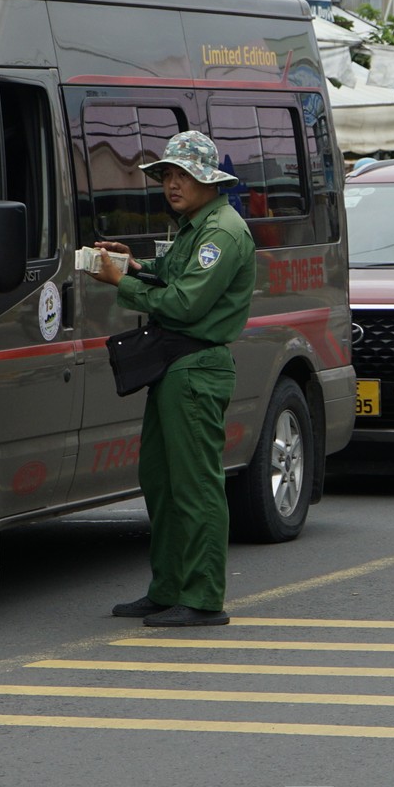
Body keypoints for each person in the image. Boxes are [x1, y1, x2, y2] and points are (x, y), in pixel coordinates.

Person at [86, 131, 255, 629]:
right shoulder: (195, 226)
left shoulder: (221, 232)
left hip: (196, 366)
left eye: (184, 175)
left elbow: (184, 304)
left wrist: (124, 282)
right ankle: (168, 589)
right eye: (168, 175)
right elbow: (170, 277)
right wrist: (134, 265)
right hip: (176, 367)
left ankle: (202, 597)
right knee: (160, 481)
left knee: (196, 485)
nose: (172, 184)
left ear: (208, 180)